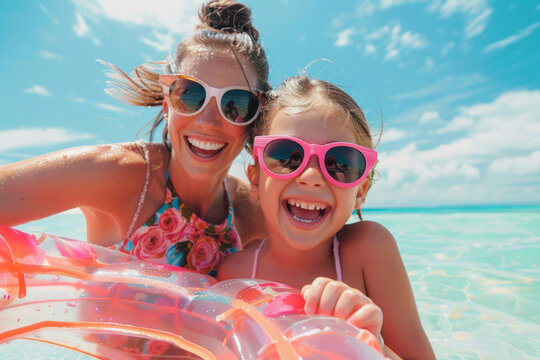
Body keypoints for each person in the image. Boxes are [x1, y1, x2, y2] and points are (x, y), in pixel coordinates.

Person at [0, 0, 270, 277]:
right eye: (190, 95)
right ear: (167, 106)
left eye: (236, 103)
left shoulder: (250, 209)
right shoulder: (120, 176)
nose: (208, 121)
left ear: (256, 117)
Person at [218, 75, 437, 359]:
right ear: (256, 180)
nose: (311, 177)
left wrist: (373, 346)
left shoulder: (367, 251)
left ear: (361, 190)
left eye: (340, 162)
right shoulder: (235, 272)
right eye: (286, 157)